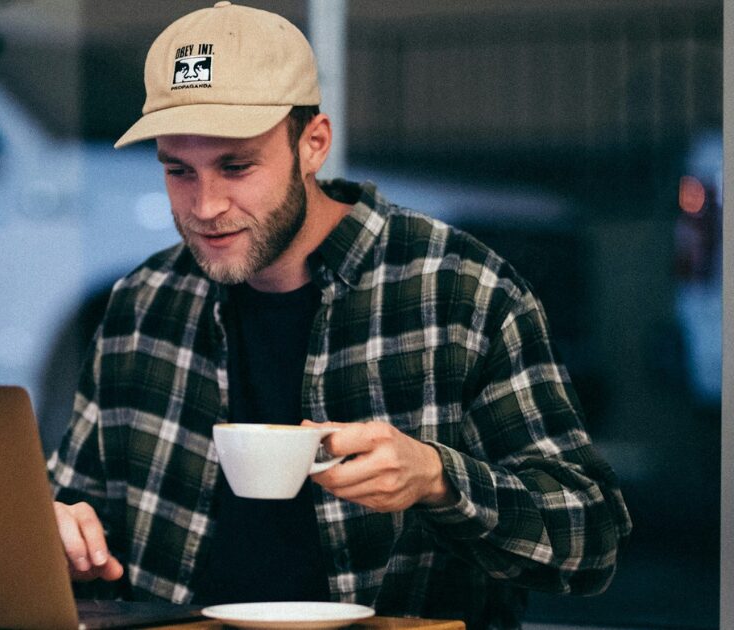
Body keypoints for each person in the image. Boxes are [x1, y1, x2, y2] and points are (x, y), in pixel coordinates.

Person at [46, 2, 632, 628]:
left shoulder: (460, 290)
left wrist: (439, 479)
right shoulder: (144, 304)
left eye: (237, 166)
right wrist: (59, 535)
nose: (207, 205)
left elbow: (590, 541)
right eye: (177, 170)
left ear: (313, 145)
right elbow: (74, 510)